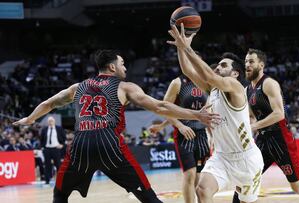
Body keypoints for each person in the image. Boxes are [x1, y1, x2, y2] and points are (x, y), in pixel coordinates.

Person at [13, 49, 219, 203]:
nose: (125, 67)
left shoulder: (78, 87)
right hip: (109, 145)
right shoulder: (125, 87)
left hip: (80, 145)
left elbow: (49, 103)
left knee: (59, 194)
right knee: (147, 195)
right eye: (122, 64)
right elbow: (161, 106)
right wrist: (196, 115)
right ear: (112, 67)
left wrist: (30, 119)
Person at [167, 24, 264, 203]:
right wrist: (181, 48)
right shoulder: (213, 89)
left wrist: (187, 47)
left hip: (246, 159)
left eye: (223, 65)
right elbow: (187, 71)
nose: (218, 67)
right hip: (221, 157)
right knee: (202, 190)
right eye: (218, 64)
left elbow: (211, 77)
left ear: (235, 73)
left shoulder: (235, 87)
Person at [232, 48, 299, 203]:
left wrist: (253, 127)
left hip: (280, 139)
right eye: (245, 62)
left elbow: (279, 114)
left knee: (298, 187)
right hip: (263, 140)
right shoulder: (246, 89)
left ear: (261, 65)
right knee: (245, 180)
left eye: (251, 61)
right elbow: (250, 116)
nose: (247, 65)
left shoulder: (269, 84)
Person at [149, 73, 210, 203]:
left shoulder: (205, 83)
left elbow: (205, 114)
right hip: (184, 135)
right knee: (190, 174)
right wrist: (180, 126)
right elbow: (165, 109)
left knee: (199, 176)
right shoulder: (177, 83)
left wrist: (161, 126)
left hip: (202, 135)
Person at [40, 116, 66, 184]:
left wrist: (62, 145)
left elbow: (64, 138)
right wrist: (43, 147)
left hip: (56, 149)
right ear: (47, 122)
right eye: (49, 121)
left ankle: (61, 180)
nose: (50, 122)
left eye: (51, 120)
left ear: (54, 121)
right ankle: (47, 181)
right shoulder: (44, 129)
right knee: (47, 165)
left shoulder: (59, 129)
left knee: (58, 165)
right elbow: (41, 139)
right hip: (47, 149)